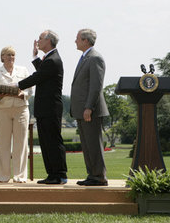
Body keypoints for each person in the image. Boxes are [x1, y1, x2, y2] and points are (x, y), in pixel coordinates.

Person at [18, 30, 67, 184]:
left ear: (49, 41)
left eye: (40, 38)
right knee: (46, 142)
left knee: (52, 141)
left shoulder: (53, 60)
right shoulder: (49, 59)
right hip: (45, 109)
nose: (37, 41)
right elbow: (43, 72)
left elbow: (37, 76)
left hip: (50, 108)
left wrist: (16, 86)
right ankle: (52, 174)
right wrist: (35, 57)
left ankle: (59, 174)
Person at [70, 29, 109, 186]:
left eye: (77, 38)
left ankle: (99, 176)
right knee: (87, 146)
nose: (75, 41)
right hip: (82, 110)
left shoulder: (95, 58)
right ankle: (92, 175)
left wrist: (89, 107)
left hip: (90, 111)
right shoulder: (85, 58)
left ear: (85, 40)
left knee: (93, 144)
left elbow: (96, 86)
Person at [0, 46, 32, 183]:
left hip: (21, 109)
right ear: (2, 57)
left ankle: (20, 176)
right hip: (2, 110)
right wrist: (0, 95)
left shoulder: (23, 70)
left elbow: (30, 90)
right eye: (8, 55)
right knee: (2, 143)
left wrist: (22, 95)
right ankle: (3, 176)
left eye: (13, 55)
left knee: (21, 144)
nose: (10, 58)